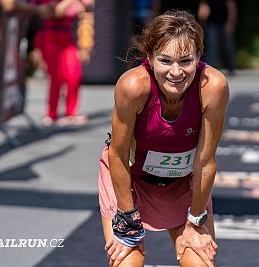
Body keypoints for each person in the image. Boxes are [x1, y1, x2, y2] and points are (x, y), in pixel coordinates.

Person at [98, 10, 229, 267]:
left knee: (200, 262)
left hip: (182, 184)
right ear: (150, 58)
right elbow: (118, 155)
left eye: (185, 61)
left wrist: (195, 222)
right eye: (165, 61)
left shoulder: (214, 86)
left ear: (199, 56)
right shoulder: (133, 86)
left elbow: (205, 161)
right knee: (128, 264)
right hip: (130, 181)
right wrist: (127, 217)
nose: (176, 72)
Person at [32, 0, 94, 127]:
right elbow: (56, 12)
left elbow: (88, 6)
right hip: (49, 36)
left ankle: (71, 112)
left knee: (74, 74)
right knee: (56, 77)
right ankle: (51, 113)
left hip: (66, 36)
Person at [198, 0, 237, 76]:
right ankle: (211, 68)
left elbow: (231, 8)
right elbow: (203, 6)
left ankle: (230, 66)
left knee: (227, 46)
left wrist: (230, 24)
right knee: (211, 45)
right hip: (211, 23)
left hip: (224, 22)